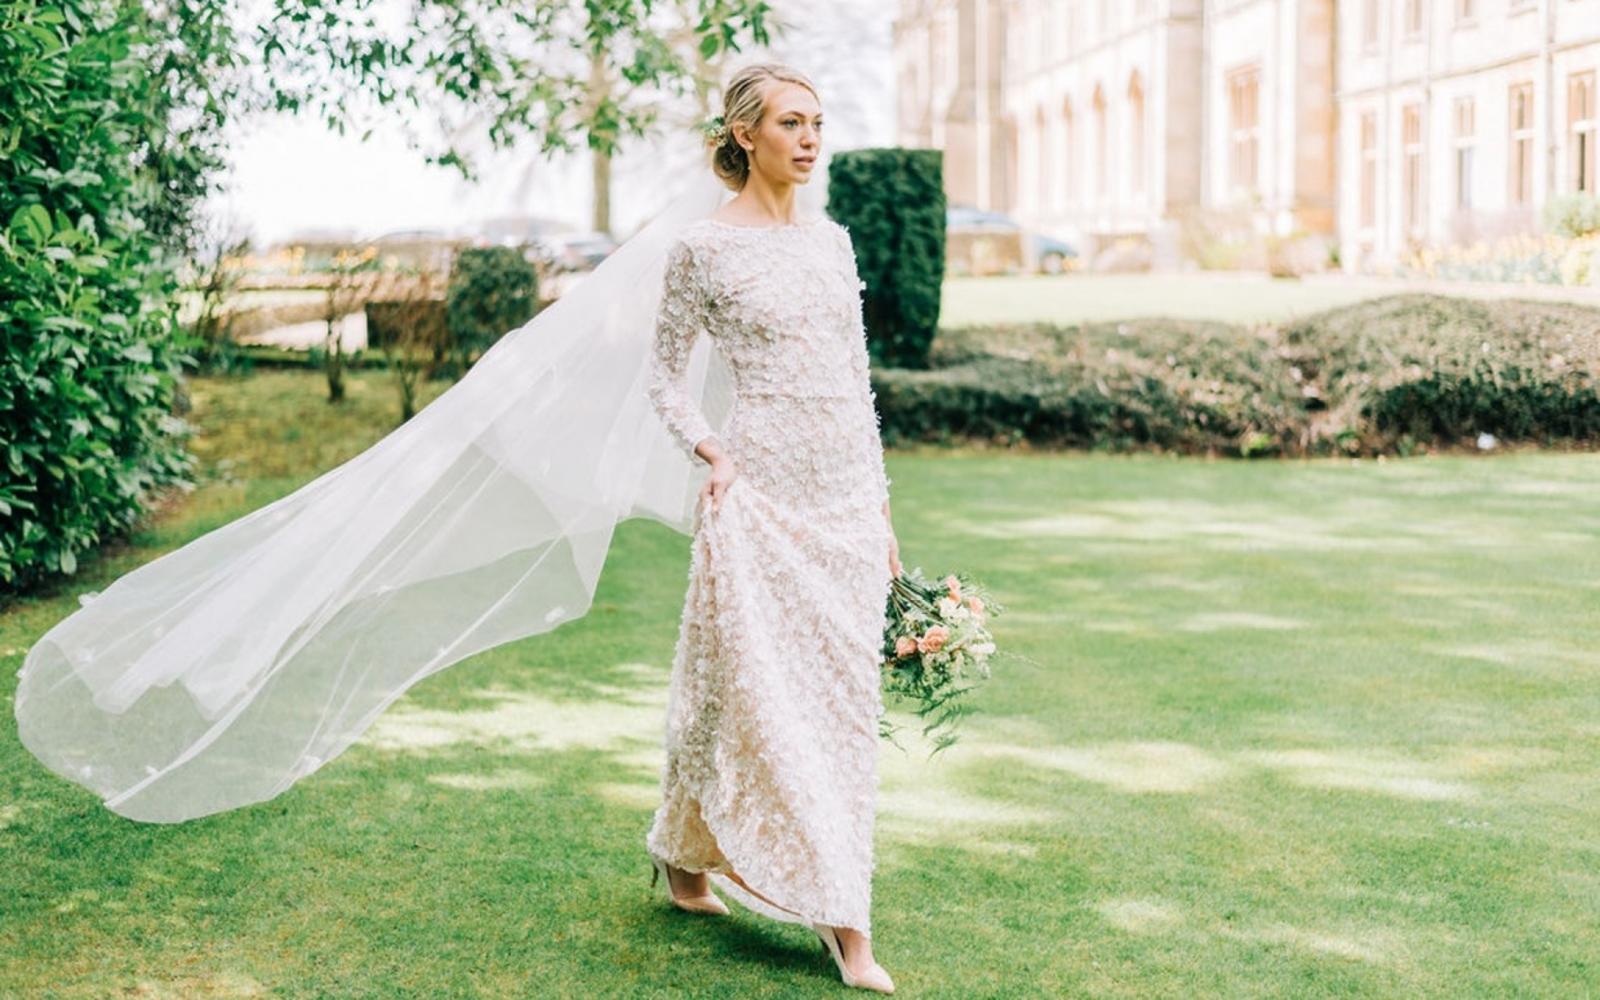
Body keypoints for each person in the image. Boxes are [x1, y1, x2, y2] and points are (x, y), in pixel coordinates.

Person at [640, 64, 900, 995]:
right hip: (755, 498)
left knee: (825, 707)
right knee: (753, 694)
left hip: (841, 505)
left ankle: (680, 854)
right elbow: (666, 376)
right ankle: (846, 925)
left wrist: (879, 511)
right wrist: (710, 449)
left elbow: (855, 386)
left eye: (818, 123)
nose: (810, 138)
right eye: (792, 122)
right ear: (744, 134)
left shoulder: (832, 244)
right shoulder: (702, 250)